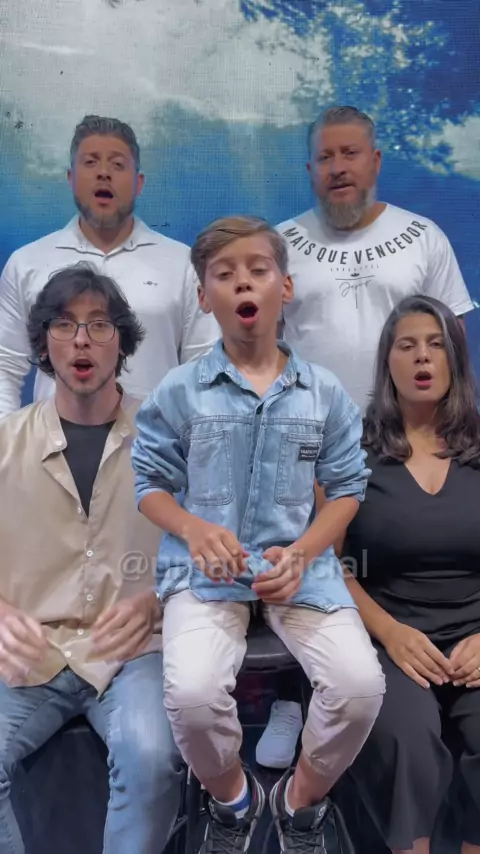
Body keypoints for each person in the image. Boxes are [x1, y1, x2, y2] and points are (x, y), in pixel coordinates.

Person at [131, 215, 385, 853]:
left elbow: (347, 489)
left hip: (300, 570)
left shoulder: (323, 393)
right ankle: (233, 800)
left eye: (258, 269)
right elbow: (149, 484)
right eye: (225, 274)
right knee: (191, 696)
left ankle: (300, 802)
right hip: (205, 574)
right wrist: (192, 528)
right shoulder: (180, 390)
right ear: (203, 296)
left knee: (359, 688)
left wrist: (303, 553)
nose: (243, 282)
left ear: (285, 287)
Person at [258, 102, 474, 770]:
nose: (338, 167)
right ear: (309, 169)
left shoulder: (422, 237)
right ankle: (292, 694)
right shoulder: (282, 245)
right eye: (325, 157)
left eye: (350, 153)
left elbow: (453, 341)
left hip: (407, 442)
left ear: (375, 161)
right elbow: (258, 345)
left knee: (382, 566)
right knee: (300, 568)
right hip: (308, 444)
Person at [0, 265, 183, 854]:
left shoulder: (169, 438)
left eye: (99, 325)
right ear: (43, 342)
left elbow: (216, 549)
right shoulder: (6, 443)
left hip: (133, 654)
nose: (81, 340)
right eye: (64, 324)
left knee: (152, 757)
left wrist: (157, 600)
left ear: (122, 342)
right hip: (31, 653)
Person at [342, 295, 480, 854]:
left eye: (436, 345)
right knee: (407, 736)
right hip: (388, 637)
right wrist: (390, 633)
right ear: (387, 362)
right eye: (408, 346)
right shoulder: (352, 452)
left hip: (474, 638)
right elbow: (329, 564)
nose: (423, 357)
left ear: (455, 360)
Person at [0, 114, 218, 417]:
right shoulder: (27, 263)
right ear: (71, 178)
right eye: (91, 162)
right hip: (52, 444)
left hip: (155, 443)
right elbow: (5, 365)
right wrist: (8, 440)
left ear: (139, 183)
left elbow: (204, 368)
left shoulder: (183, 264)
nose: (104, 173)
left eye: (117, 164)